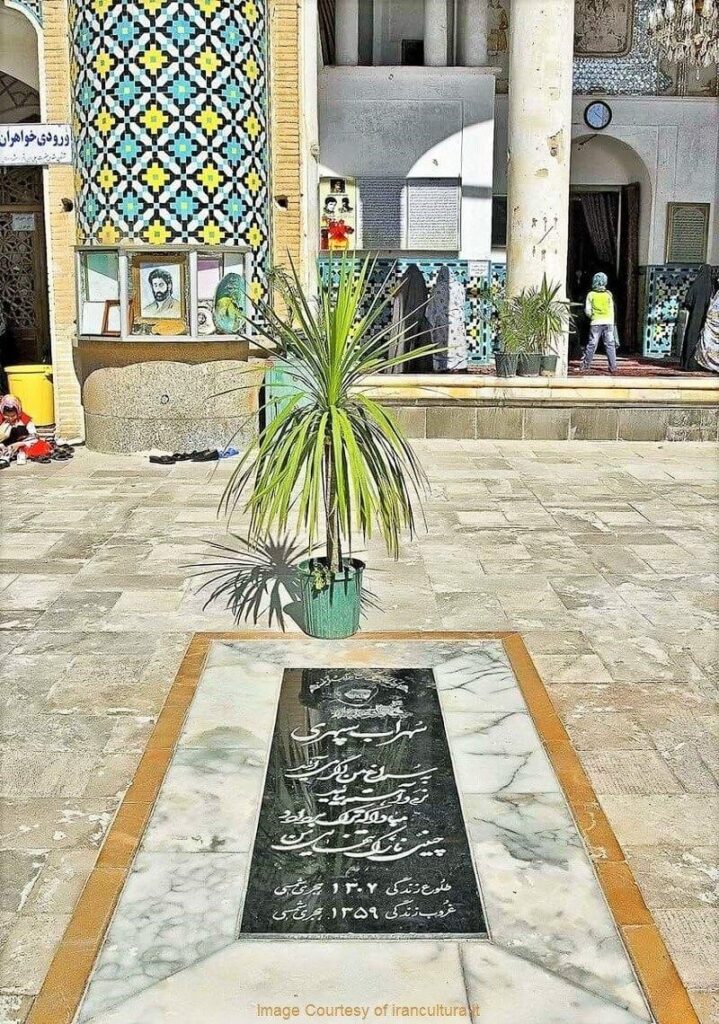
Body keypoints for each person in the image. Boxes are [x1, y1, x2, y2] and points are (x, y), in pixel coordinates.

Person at [581, 272, 617, 374]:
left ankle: (586, 365)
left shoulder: (591, 294)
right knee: (610, 344)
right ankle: (613, 366)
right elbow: (612, 309)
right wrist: (612, 322)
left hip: (596, 322)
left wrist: (593, 316)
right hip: (608, 322)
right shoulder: (608, 294)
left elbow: (587, 310)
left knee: (592, 344)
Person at [680, 264, 714, 370]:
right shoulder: (712, 286)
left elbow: (688, 301)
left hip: (694, 317)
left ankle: (687, 363)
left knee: (691, 337)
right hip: (706, 318)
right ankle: (700, 363)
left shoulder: (696, 284)